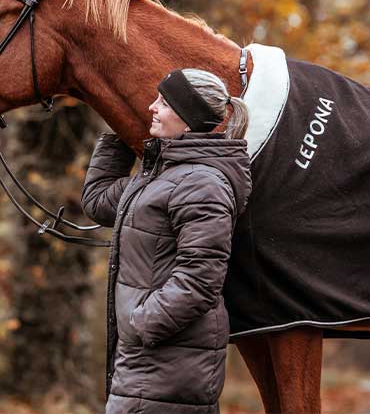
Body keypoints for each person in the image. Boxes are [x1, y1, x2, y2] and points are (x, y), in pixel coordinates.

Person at [81, 68, 252, 413]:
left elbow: (201, 278)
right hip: (145, 360)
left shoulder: (203, 183)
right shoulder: (163, 176)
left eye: (164, 101)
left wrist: (141, 324)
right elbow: (97, 200)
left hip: (167, 361)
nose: (151, 107)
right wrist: (119, 124)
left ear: (188, 118)